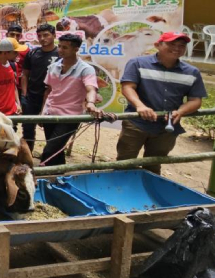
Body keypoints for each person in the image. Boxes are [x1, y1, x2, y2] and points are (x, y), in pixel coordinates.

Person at [116, 31, 206, 174]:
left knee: (154, 165)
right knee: (124, 162)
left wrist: (181, 111)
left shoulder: (192, 72)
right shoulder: (137, 63)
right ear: (157, 45)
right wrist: (140, 106)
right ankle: (118, 192)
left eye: (181, 45)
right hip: (136, 123)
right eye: (172, 44)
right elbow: (127, 87)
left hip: (167, 128)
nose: (177, 48)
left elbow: (195, 100)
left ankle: (147, 194)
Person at [39, 34, 101, 166]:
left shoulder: (86, 69)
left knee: (49, 151)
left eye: (65, 48)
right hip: (50, 112)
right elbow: (49, 91)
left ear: (76, 49)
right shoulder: (53, 67)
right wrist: (42, 112)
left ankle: (42, 174)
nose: (60, 50)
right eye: (59, 46)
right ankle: (59, 175)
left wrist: (90, 103)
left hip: (70, 116)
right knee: (56, 149)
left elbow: (91, 89)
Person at [21, 24, 59, 151]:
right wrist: (24, 94)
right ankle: (27, 156)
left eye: (46, 35)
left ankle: (50, 159)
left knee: (50, 130)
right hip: (32, 97)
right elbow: (25, 75)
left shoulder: (61, 54)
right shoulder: (32, 53)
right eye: (40, 36)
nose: (42, 38)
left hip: (53, 99)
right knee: (28, 129)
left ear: (54, 35)